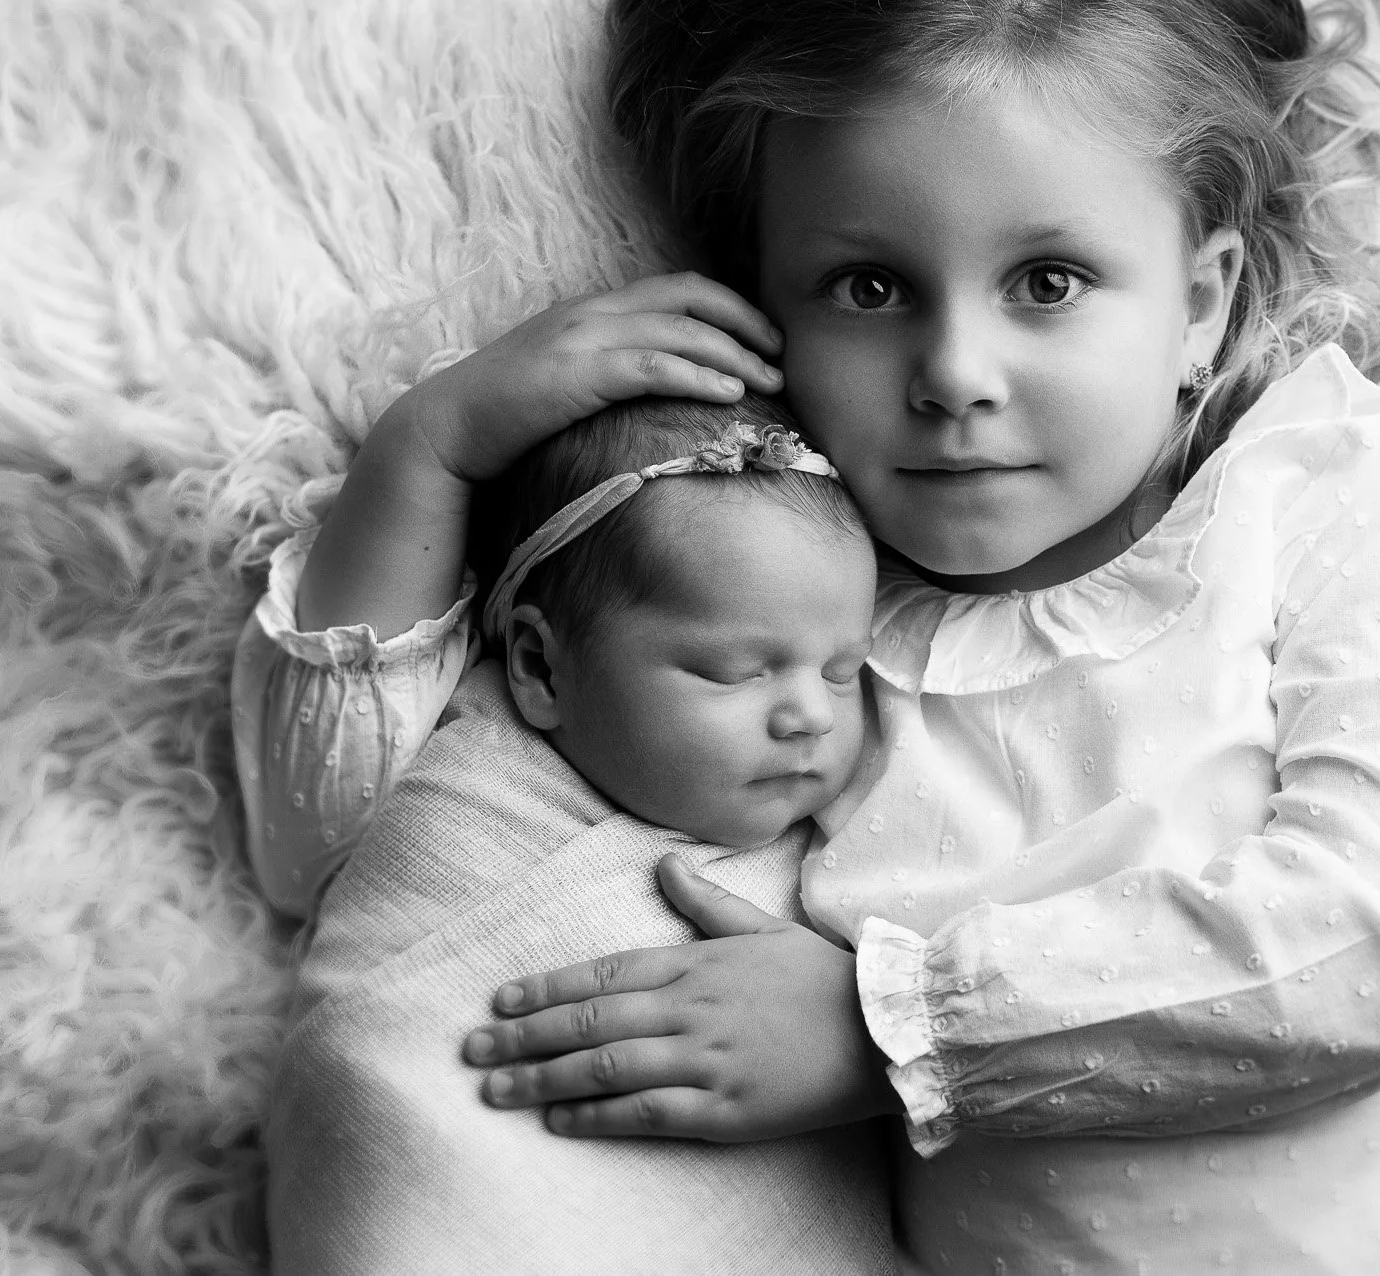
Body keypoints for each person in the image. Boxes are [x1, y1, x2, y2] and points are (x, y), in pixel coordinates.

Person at [235, 0, 1380, 1271]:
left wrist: (889, 1027)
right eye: (868, 288)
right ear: (762, 308)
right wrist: (435, 448)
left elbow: (1379, 936)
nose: (952, 376)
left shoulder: (1321, 489)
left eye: (1049, 282)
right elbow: (327, 844)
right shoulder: (786, 577)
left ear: (1198, 301)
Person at [251, 396, 897, 1275]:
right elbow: (336, 715)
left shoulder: (859, 840)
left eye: (845, 670)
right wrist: (434, 444)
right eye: (731, 671)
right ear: (538, 666)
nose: (811, 715)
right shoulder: (466, 744)